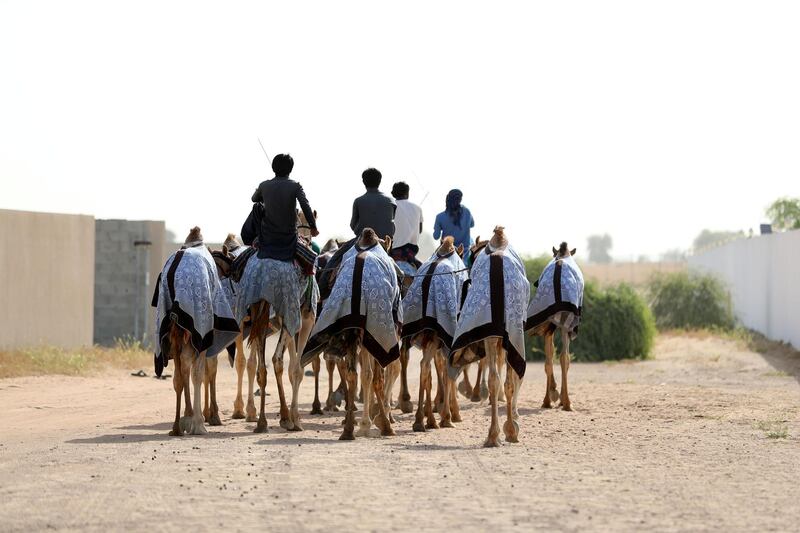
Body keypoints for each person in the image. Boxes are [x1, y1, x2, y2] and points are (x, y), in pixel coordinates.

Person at [248, 153, 318, 261]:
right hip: (289, 239)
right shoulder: (296, 186)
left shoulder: (264, 185)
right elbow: (305, 205)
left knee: (243, 259)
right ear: (290, 169)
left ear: (273, 168)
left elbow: (254, 199)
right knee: (311, 262)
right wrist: (313, 227)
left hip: (267, 239)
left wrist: (263, 192)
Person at [350, 168, 396, 240]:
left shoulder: (358, 201)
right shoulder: (391, 200)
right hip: (385, 241)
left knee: (341, 250)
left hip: (364, 241)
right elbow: (391, 221)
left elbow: (352, 225)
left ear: (363, 181)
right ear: (380, 181)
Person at [389, 181, 423, 269]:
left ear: (394, 193)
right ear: (407, 193)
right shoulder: (418, 208)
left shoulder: (390, 207)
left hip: (393, 251)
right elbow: (420, 230)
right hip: (411, 252)